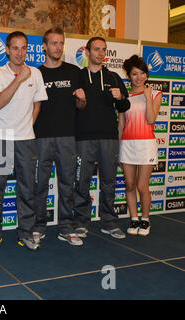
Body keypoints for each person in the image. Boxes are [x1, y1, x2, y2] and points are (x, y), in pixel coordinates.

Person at [0, 31, 48, 251]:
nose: (20, 53)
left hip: (26, 140)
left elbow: (37, 103)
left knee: (27, 189)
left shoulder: (36, 74)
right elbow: (0, 102)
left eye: (24, 48)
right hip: (3, 139)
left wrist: (27, 126)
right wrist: (19, 79)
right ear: (7, 49)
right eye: (15, 48)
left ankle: (26, 232)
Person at [33, 27, 86, 246]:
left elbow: (81, 106)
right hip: (41, 137)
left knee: (66, 183)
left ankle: (65, 227)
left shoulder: (75, 72)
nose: (58, 47)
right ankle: (38, 226)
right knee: (40, 184)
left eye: (61, 43)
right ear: (44, 46)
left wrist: (82, 100)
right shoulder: (35, 73)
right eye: (54, 43)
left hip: (67, 137)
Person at [74, 37, 131, 239]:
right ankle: (81, 222)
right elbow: (71, 107)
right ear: (87, 51)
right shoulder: (77, 76)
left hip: (108, 137)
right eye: (96, 49)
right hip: (83, 138)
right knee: (82, 181)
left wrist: (120, 97)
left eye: (103, 49)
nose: (100, 53)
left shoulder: (114, 77)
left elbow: (125, 107)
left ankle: (109, 222)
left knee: (109, 181)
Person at [119, 55, 162, 236]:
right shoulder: (125, 97)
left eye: (142, 73)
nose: (139, 77)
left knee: (142, 186)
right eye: (135, 74)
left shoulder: (154, 94)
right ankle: (134, 218)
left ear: (146, 74)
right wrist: (118, 146)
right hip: (127, 144)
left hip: (146, 145)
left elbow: (151, 119)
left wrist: (147, 98)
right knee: (129, 184)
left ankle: (145, 220)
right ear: (129, 76)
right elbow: (121, 124)